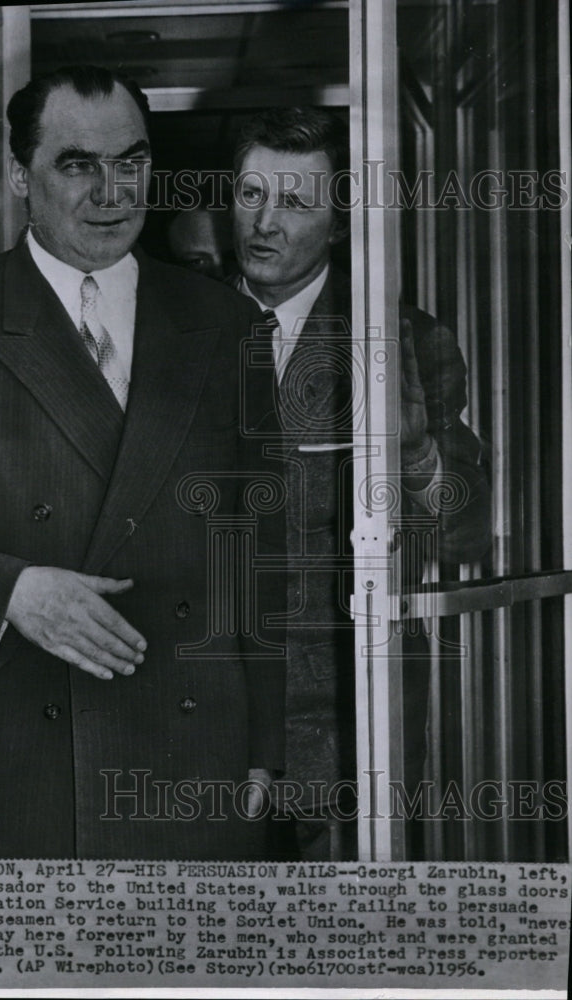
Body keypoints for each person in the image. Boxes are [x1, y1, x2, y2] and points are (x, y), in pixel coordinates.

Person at [0, 66, 286, 860]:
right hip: (6, 763)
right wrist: (7, 592)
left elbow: (264, 552)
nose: (111, 191)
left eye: (132, 161)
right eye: (77, 164)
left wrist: (265, 745)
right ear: (19, 177)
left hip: (187, 758)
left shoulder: (224, 324)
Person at [229, 107, 492, 860]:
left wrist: (413, 455)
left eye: (298, 202)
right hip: (197, 729)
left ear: (342, 224)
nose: (266, 223)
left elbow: (467, 528)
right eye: (252, 195)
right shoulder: (169, 332)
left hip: (346, 731)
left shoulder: (406, 340)